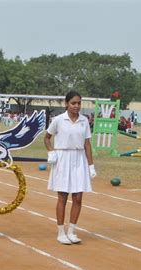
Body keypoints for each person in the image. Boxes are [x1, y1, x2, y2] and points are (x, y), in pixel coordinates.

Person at [44, 91, 96, 245]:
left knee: (78, 197)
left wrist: (91, 165)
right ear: (66, 103)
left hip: (79, 159)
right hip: (63, 159)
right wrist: (51, 152)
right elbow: (47, 138)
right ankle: (61, 232)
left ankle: (71, 231)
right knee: (63, 196)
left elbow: (87, 144)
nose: (76, 106)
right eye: (73, 103)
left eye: (79, 103)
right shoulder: (58, 120)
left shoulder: (84, 121)